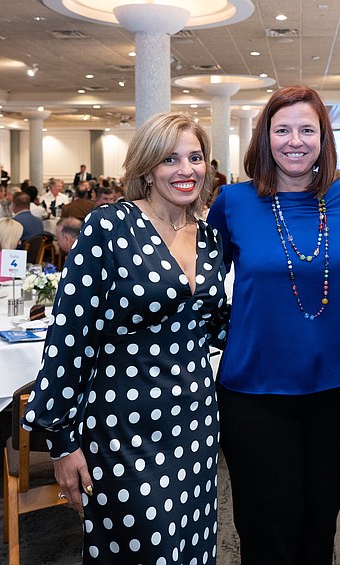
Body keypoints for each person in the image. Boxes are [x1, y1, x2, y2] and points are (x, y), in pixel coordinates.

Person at [22, 112, 227, 564]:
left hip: (194, 419)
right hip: (122, 423)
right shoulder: (110, 226)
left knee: (192, 544)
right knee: (140, 548)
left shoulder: (209, 236)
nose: (186, 169)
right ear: (147, 168)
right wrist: (61, 441)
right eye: (170, 159)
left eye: (196, 157)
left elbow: (213, 323)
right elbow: (69, 336)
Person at [206, 85, 340, 564]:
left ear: (323, 137)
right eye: (283, 129)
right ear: (265, 137)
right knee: (266, 530)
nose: (295, 140)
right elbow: (200, 284)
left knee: (319, 528)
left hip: (334, 391)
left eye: (307, 129)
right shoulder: (232, 202)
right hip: (254, 393)